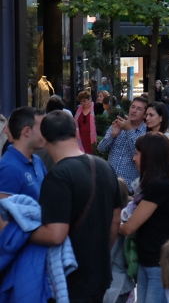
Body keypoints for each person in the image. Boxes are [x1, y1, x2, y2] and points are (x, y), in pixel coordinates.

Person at [26, 110, 122, 301]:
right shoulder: (104, 167)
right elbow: (115, 221)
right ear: (76, 133)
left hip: (70, 278)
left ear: (44, 140)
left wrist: (19, 230)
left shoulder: (58, 176)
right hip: (100, 274)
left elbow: (55, 234)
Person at [119, 132, 169, 303]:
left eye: (138, 154)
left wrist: (110, 222)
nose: (134, 158)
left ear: (150, 157)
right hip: (148, 260)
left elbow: (129, 227)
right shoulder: (156, 185)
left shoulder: (160, 187)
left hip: (158, 262)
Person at [98, 96, 149, 192]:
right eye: (132, 107)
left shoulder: (146, 132)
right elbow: (100, 148)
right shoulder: (118, 124)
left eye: (139, 109)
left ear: (144, 115)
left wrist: (129, 130)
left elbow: (140, 155)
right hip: (109, 182)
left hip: (129, 187)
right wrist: (112, 135)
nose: (134, 111)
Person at [0, 107, 46, 199]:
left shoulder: (37, 160)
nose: (46, 132)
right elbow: (4, 211)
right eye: (42, 128)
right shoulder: (9, 168)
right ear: (27, 131)